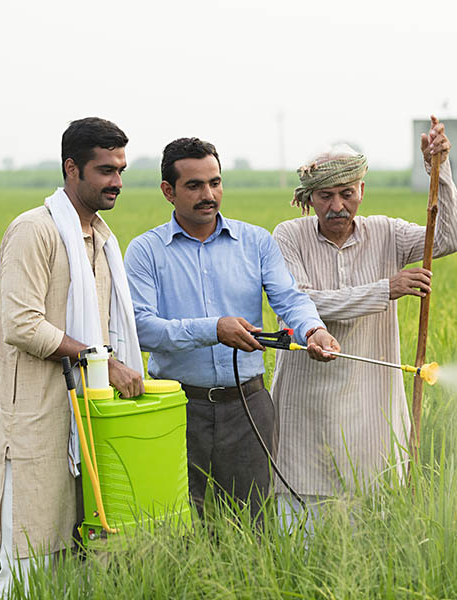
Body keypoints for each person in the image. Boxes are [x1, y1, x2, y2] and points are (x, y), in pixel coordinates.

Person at [124, 137, 340, 523]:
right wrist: (213, 329)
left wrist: (313, 330)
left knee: (253, 525)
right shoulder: (146, 251)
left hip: (247, 407)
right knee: (177, 523)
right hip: (175, 408)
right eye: (194, 186)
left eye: (215, 182)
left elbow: (290, 299)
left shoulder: (255, 242)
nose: (208, 195)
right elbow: (141, 327)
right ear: (168, 191)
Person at [271, 115, 457, 520]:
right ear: (308, 198)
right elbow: (301, 301)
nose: (337, 206)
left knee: (369, 507)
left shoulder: (386, 233)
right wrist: (384, 290)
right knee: (299, 512)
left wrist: (439, 169)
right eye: (325, 195)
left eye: (346, 193)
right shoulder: (289, 236)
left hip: (371, 400)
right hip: (303, 403)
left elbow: (449, 238)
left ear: (362, 190)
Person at [0, 117, 145, 598]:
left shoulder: (103, 239)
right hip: (37, 428)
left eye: (121, 170)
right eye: (105, 170)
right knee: (28, 568)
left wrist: (106, 363)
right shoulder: (35, 231)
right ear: (72, 169)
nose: (117, 182)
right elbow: (22, 324)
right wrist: (101, 360)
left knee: (82, 569)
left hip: (90, 425)